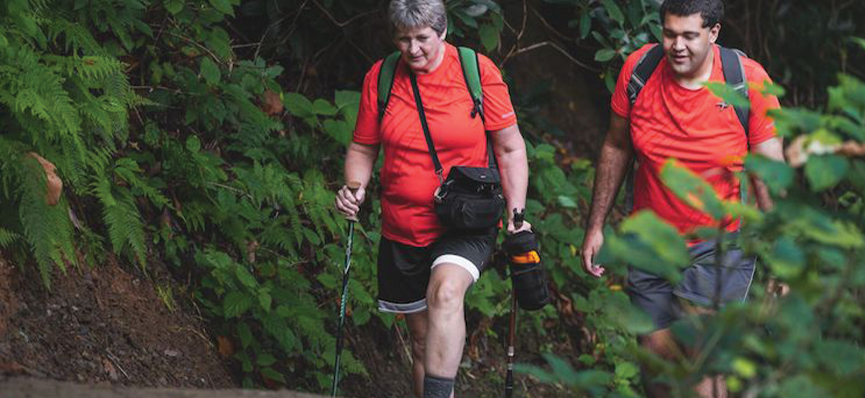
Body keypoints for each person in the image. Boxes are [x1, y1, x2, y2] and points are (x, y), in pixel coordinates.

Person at [580, 0, 785, 397]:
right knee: (657, 361)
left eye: (689, 36)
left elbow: (769, 173)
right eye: (669, 33)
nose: (677, 45)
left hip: (718, 245)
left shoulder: (747, 82)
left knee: (697, 355)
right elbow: (616, 146)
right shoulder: (639, 71)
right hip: (651, 241)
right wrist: (596, 226)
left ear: (714, 32)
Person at [334, 1, 530, 397]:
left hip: (464, 219)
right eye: (403, 39)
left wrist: (516, 212)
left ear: (442, 32)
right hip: (403, 225)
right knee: (422, 344)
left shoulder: (477, 72)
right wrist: (355, 187)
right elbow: (362, 147)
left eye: (422, 38)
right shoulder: (383, 76)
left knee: (445, 291)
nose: (413, 49)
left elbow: (510, 149)